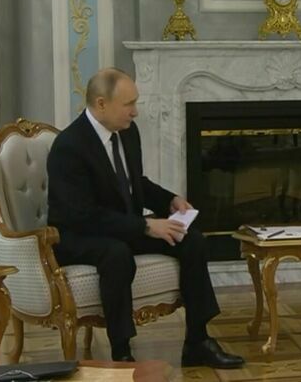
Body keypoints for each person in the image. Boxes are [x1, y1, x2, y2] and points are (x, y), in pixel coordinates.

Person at [47, 68, 244, 368]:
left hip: (121, 225)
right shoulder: (69, 147)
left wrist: (169, 201)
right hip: (77, 236)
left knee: (190, 240)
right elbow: (82, 216)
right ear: (101, 104)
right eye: (128, 104)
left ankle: (198, 341)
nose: (135, 111)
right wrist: (146, 225)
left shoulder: (127, 131)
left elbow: (134, 182)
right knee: (116, 254)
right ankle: (122, 352)